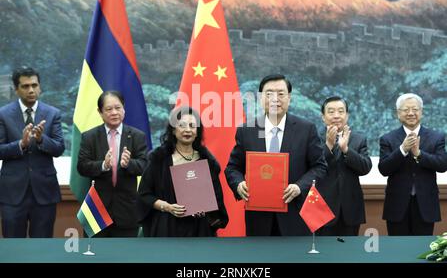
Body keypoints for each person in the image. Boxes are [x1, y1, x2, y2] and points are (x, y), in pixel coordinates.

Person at [225, 74, 327, 236]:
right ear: (260, 98)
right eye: (269, 93)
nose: (275, 99)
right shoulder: (247, 130)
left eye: (280, 94)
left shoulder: (306, 129)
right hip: (258, 217)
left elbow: (319, 167)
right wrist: (239, 184)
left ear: (289, 98)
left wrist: (299, 186)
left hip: (295, 214)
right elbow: (233, 168)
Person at [137, 106, 228, 237]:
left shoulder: (207, 161)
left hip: (199, 229)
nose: (187, 130)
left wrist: (206, 210)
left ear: (197, 131)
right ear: (173, 130)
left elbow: (216, 198)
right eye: (182, 125)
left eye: (192, 126)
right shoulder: (159, 158)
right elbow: (144, 194)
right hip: (167, 228)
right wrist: (167, 207)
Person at [0, 67, 65, 238]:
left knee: (42, 249)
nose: (31, 90)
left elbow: (59, 148)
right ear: (16, 89)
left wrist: (40, 139)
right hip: (12, 193)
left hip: (44, 193)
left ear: (40, 87)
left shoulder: (52, 114)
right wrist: (21, 144)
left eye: (34, 85)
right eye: (25, 86)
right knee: (13, 248)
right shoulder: (3, 114)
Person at [77, 91, 148, 237]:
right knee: (96, 256)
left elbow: (145, 166)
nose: (114, 112)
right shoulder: (89, 137)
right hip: (97, 209)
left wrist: (128, 164)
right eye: (109, 109)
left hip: (127, 210)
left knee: (125, 256)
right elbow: (82, 167)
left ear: (124, 109)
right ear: (100, 112)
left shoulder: (137, 136)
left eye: (118, 107)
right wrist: (103, 165)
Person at [378, 93, 447, 235]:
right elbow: (384, 169)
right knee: (398, 251)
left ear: (421, 112)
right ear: (398, 113)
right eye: (405, 110)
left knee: (422, 251)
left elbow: (442, 164)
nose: (410, 113)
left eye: (415, 109)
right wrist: (402, 149)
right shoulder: (387, 139)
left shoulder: (436, 137)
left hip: (426, 204)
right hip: (397, 205)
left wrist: (419, 154)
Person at [317, 96, 372, 236]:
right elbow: (312, 166)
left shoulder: (359, 139)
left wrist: (346, 149)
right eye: (331, 111)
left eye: (341, 111)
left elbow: (365, 167)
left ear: (347, 115)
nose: (336, 116)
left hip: (350, 208)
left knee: (349, 254)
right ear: (323, 117)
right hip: (321, 208)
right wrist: (328, 145)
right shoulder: (313, 138)